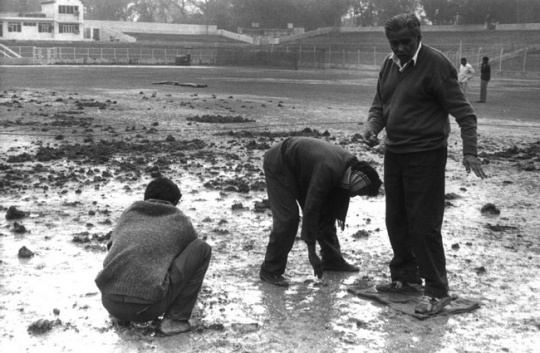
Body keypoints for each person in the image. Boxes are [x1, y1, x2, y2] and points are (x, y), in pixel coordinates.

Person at [362, 13, 487, 315]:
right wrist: (371, 129)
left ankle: (436, 290)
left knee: (424, 224)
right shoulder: (389, 64)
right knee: (396, 218)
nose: (401, 48)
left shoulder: (437, 64)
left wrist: (470, 151)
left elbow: (465, 114)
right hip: (395, 153)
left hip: (427, 155)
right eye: (395, 43)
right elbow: (380, 106)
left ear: (418, 36)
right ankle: (405, 278)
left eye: (406, 42)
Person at [260, 136, 382, 287]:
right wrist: (312, 253)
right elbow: (311, 209)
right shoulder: (329, 169)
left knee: (327, 211)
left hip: (302, 168)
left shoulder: (350, 167)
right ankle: (270, 270)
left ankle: (332, 260)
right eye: (357, 192)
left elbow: (324, 210)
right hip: (280, 163)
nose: (353, 195)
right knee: (288, 218)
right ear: (356, 182)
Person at [95, 177, 212, 335]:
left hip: (109, 302)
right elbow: (189, 256)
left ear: (147, 197)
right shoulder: (179, 220)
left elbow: (112, 248)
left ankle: (120, 317)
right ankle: (174, 320)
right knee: (202, 248)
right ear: (174, 202)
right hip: (147, 308)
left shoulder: (128, 215)